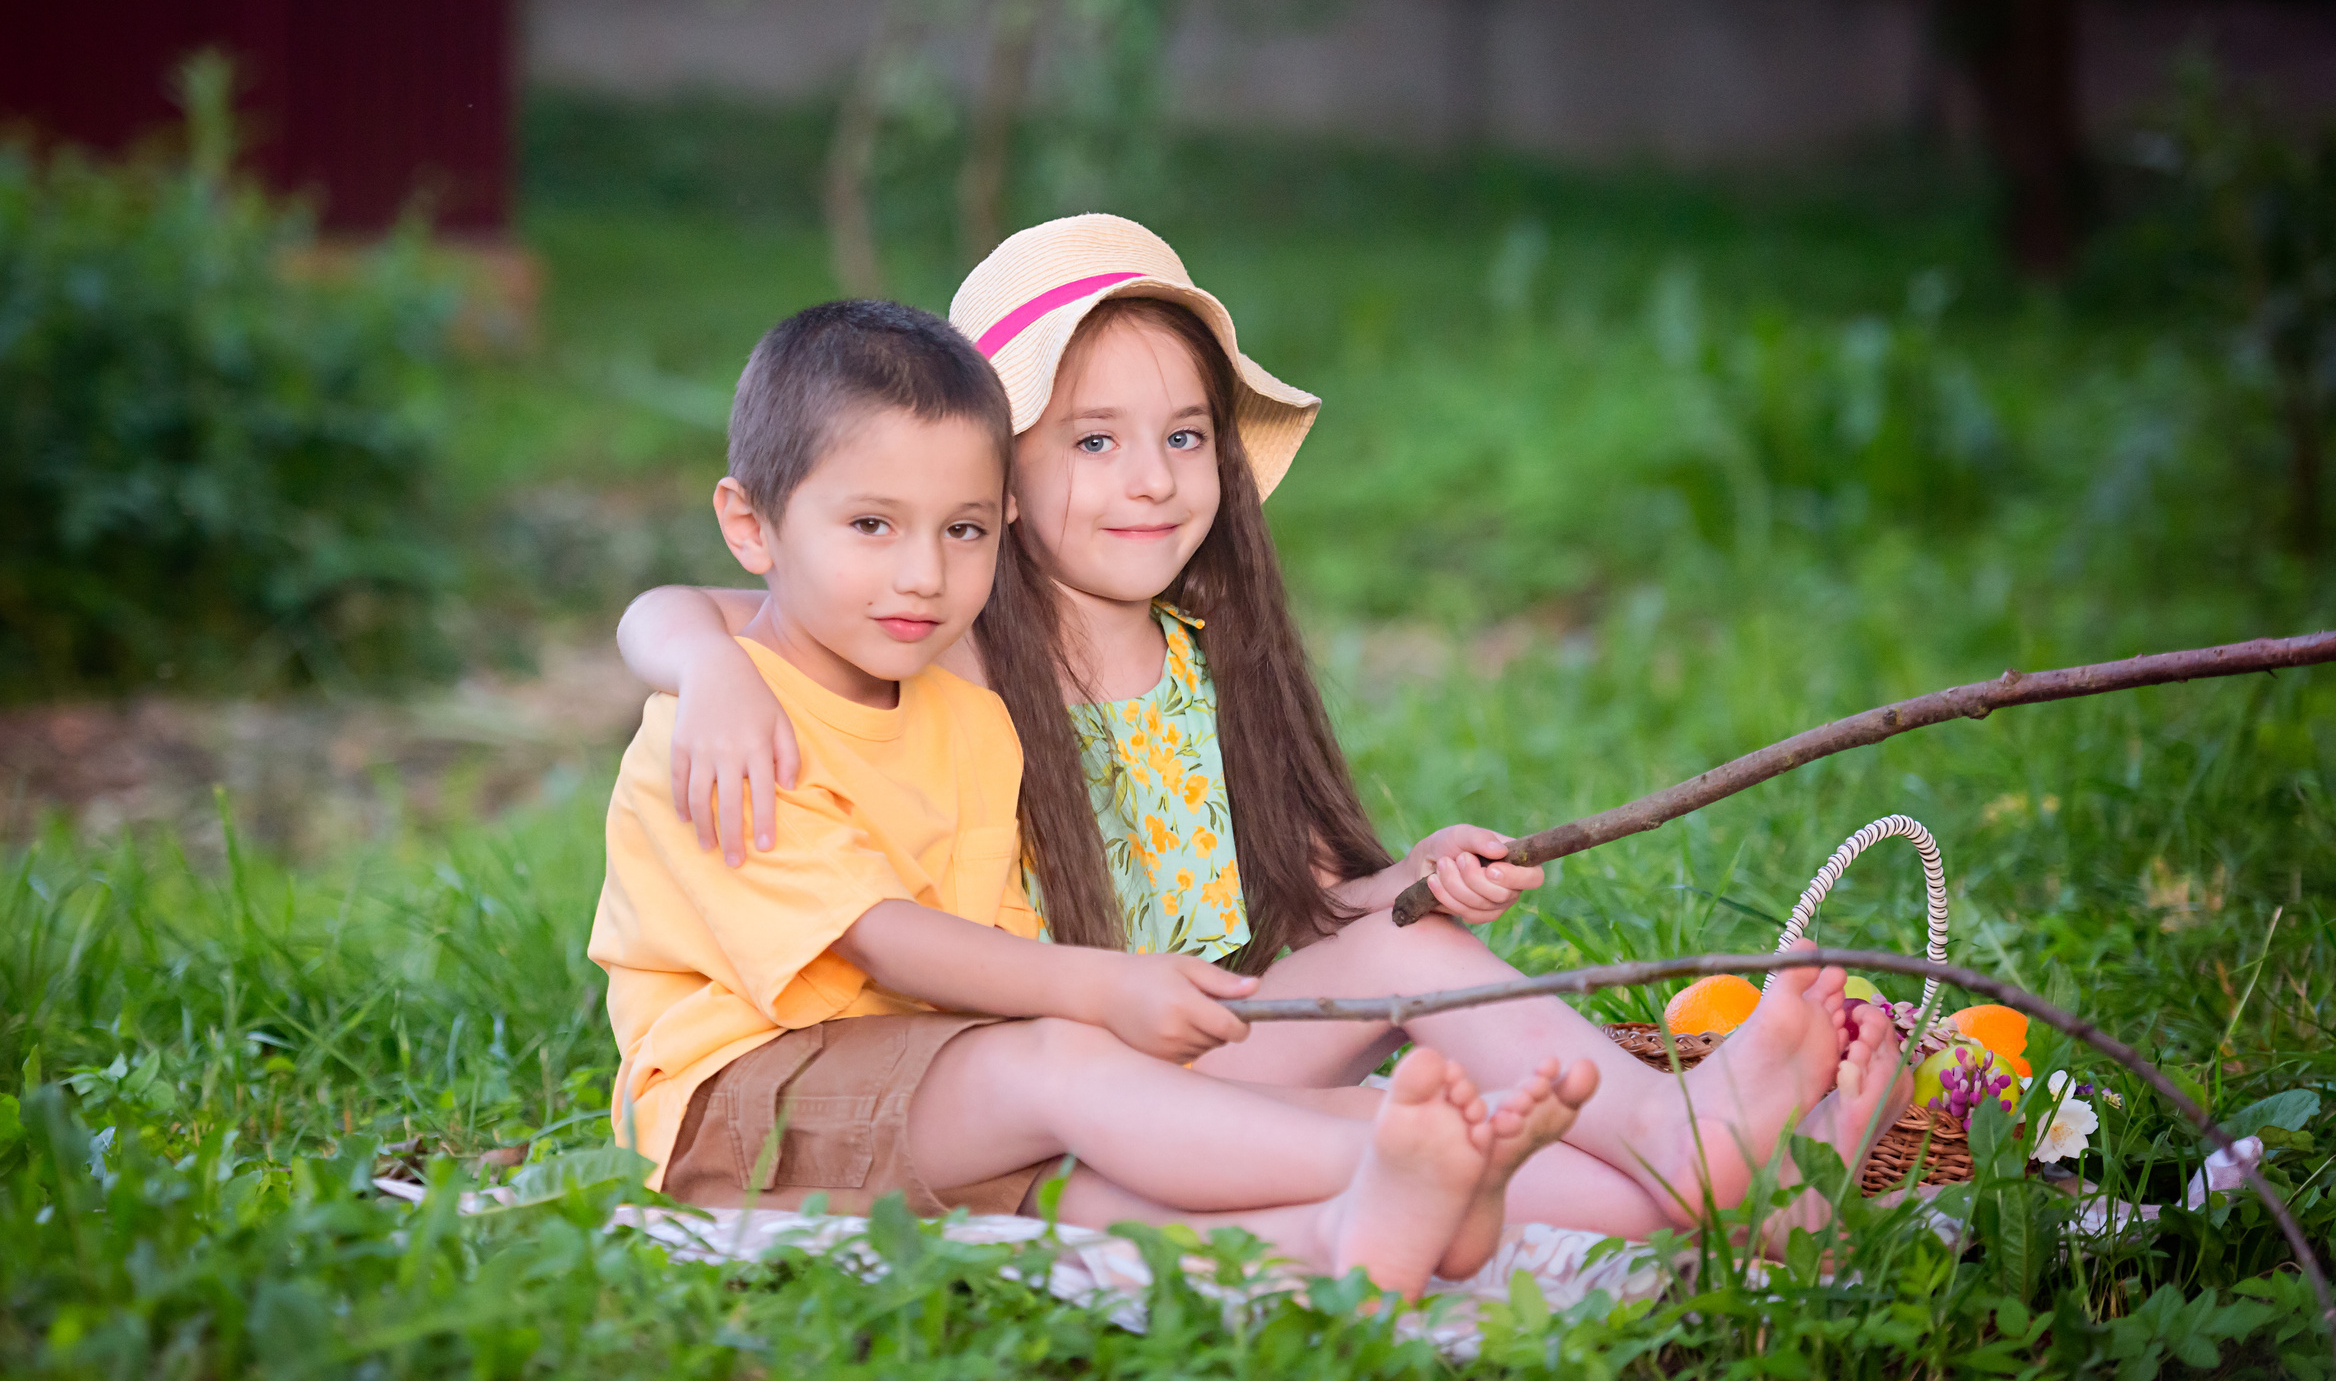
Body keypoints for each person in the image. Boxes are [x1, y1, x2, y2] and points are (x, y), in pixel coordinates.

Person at [617, 217, 1908, 1239]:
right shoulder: (944, 637)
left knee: (1419, 952)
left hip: (1186, 1062)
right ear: (999, 477)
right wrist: (699, 665)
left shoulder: (1199, 661)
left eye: (1184, 436)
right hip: (1058, 1085)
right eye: (1096, 440)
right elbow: (726, 610)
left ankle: (1678, 1143)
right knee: (1180, 1137)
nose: (1152, 478)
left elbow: (1306, 906)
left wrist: (1411, 887)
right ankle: (1690, 1193)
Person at [589, 295, 1596, 1296]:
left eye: (963, 529)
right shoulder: (720, 732)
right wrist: (1100, 989)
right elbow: (881, 938)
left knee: (1111, 1156)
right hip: (738, 1107)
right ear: (748, 525)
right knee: (1064, 1070)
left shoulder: (964, 711)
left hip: (932, 1078)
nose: (922, 574)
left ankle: (1364, 1222)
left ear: (1005, 518)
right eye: (870, 524)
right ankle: (1414, 1169)